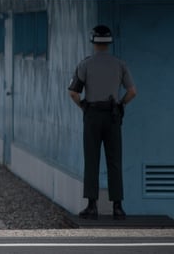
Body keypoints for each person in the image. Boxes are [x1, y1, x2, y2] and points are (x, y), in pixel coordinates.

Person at [68, 25, 137, 221]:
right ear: (109, 42)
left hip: (92, 116)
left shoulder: (85, 65)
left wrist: (83, 106)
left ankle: (92, 206)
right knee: (114, 160)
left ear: (93, 41)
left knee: (92, 160)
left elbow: (73, 92)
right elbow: (132, 92)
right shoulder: (119, 64)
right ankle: (118, 207)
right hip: (113, 116)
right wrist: (120, 105)